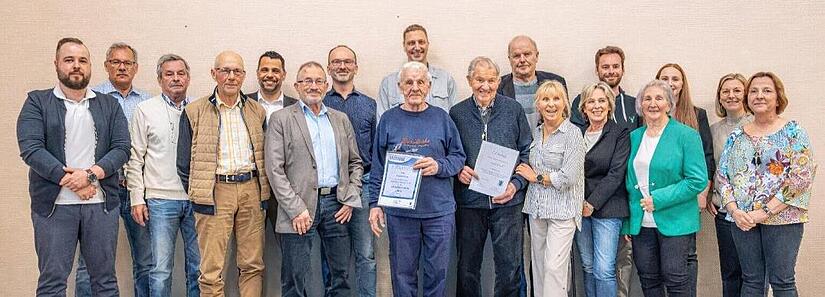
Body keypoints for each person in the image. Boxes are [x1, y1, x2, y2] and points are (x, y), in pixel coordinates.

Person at [17, 37, 130, 297]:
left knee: (104, 282)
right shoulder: (37, 102)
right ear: (57, 64)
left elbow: (122, 148)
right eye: (69, 60)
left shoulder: (108, 105)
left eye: (82, 60)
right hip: (54, 208)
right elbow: (31, 149)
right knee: (53, 282)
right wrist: (74, 182)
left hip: (100, 206)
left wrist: (89, 176)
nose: (76, 66)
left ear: (91, 66)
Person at [177, 51, 270, 297]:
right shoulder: (194, 111)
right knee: (211, 269)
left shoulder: (257, 111)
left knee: (252, 265)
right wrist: (203, 190)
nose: (231, 77)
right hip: (215, 192)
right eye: (225, 71)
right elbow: (183, 163)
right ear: (213, 73)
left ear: (244, 75)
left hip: (251, 189)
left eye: (237, 71)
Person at [368, 61, 466, 297]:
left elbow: (458, 158)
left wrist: (438, 166)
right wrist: (375, 204)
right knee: (402, 275)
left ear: (429, 86)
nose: (414, 87)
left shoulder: (442, 118)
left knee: (438, 274)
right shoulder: (389, 120)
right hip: (400, 214)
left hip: (438, 213)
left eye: (420, 82)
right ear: (400, 86)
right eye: (409, 82)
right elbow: (378, 166)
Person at [267, 61, 364, 297]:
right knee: (295, 277)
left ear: (326, 84)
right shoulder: (281, 119)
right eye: (307, 81)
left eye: (319, 81)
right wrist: (295, 208)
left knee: (340, 275)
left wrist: (350, 198)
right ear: (297, 85)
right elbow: (274, 169)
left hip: (336, 205)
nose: (313, 86)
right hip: (299, 207)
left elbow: (355, 163)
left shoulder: (340, 119)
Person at [717, 72, 817, 297]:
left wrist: (764, 212)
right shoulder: (736, 136)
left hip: (783, 219)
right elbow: (722, 177)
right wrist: (734, 210)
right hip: (742, 221)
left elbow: (801, 177)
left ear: (778, 97)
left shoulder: (793, 132)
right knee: (751, 281)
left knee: (782, 282)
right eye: (753, 91)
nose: (759, 96)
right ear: (747, 99)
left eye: (766, 90)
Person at [74, 42, 153, 297]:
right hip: (100, 189)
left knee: (146, 261)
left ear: (136, 68)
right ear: (106, 65)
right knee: (90, 262)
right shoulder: (90, 98)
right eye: (116, 62)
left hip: (136, 191)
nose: (122, 67)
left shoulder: (148, 103)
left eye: (127, 63)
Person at [449, 57, 532, 297]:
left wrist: (516, 185)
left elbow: (526, 151)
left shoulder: (513, 109)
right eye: (479, 80)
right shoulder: (457, 112)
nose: (485, 86)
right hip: (470, 202)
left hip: (508, 202)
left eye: (491, 80)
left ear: (498, 81)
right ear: (469, 81)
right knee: (467, 269)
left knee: (509, 268)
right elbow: (451, 153)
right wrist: (459, 170)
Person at [623, 80, 707, 297]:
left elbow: (697, 180)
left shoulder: (686, 135)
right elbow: (628, 181)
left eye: (659, 98)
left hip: (675, 220)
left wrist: (658, 199)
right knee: (648, 279)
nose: (652, 103)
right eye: (647, 99)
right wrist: (628, 223)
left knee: (676, 279)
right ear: (640, 105)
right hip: (641, 223)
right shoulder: (634, 137)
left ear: (669, 105)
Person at [126, 54, 200, 297]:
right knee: (160, 270)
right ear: (159, 79)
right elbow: (134, 158)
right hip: (160, 201)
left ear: (188, 78)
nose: (176, 79)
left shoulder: (198, 110)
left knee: (198, 268)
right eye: (169, 74)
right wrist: (137, 198)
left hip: (196, 200)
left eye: (181, 73)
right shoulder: (145, 110)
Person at [571, 46, 639, 297]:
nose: (596, 106)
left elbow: (616, 173)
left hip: (608, 208)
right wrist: (580, 203)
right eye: (591, 102)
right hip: (578, 208)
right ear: (584, 108)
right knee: (588, 266)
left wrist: (592, 203)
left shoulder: (619, 133)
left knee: (603, 269)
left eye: (601, 101)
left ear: (609, 105)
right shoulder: (575, 134)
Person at [515, 80, 585, 297]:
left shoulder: (572, 133)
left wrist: (535, 177)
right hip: (537, 210)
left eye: (556, 99)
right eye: (545, 99)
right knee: (539, 268)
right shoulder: (535, 133)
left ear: (564, 103)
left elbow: (568, 177)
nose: (551, 104)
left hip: (563, 212)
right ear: (538, 104)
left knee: (555, 269)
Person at [322, 45, 378, 297]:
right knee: (333, 257)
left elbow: (378, 152)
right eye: (336, 62)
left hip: (364, 185)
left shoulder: (369, 105)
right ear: (329, 68)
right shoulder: (319, 104)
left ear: (356, 67)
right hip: (330, 188)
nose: (342, 66)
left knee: (366, 253)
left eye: (347, 62)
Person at [708, 73, 752, 297]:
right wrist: (709, 196)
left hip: (753, 214)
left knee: (753, 275)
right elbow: (712, 167)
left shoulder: (757, 125)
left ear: (745, 94)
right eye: (726, 91)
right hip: (724, 212)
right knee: (730, 272)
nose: (731, 95)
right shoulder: (714, 130)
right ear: (719, 97)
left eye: (737, 90)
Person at [377, 24, 457, 117]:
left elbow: (454, 120)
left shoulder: (446, 79)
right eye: (411, 43)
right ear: (404, 46)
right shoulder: (388, 84)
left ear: (428, 44)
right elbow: (382, 124)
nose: (417, 47)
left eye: (421, 42)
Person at [499, 35, 567, 128]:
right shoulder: (497, 87)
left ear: (537, 56)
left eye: (527, 54)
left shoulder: (556, 82)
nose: (522, 60)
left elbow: (565, 119)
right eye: (516, 56)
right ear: (509, 59)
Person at [247, 50, 298, 122]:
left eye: (275, 71)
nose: (270, 75)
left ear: (284, 75)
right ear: (257, 74)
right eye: (265, 70)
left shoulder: (296, 106)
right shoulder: (244, 102)